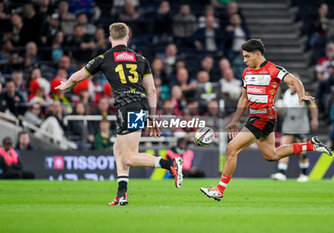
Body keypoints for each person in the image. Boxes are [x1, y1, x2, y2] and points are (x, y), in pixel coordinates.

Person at [56, 22, 183, 206]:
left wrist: (65, 86)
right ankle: (122, 193)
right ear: (127, 37)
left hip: (126, 106)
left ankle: (170, 164)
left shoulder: (104, 58)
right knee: (119, 150)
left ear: (110, 38)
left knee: (130, 156)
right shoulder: (141, 59)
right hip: (140, 105)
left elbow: (77, 78)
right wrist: (153, 117)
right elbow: (152, 91)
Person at [200, 39, 332, 202]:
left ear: (257, 54)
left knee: (231, 148)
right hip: (257, 116)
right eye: (243, 57)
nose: (244, 60)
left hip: (264, 116)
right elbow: (244, 98)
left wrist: (300, 94)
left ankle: (219, 190)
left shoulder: (273, 69)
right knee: (271, 155)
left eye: (247, 57)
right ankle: (310, 145)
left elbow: (294, 80)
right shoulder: (246, 72)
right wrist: (235, 120)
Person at [271, 76, 319, 182]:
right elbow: (282, 110)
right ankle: (281, 173)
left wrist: (314, 120)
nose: (291, 85)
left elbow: (313, 107)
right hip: (288, 124)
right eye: (290, 83)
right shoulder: (285, 94)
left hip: (300, 125)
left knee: (302, 150)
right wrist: (279, 110)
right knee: (284, 147)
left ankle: (304, 174)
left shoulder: (303, 94)